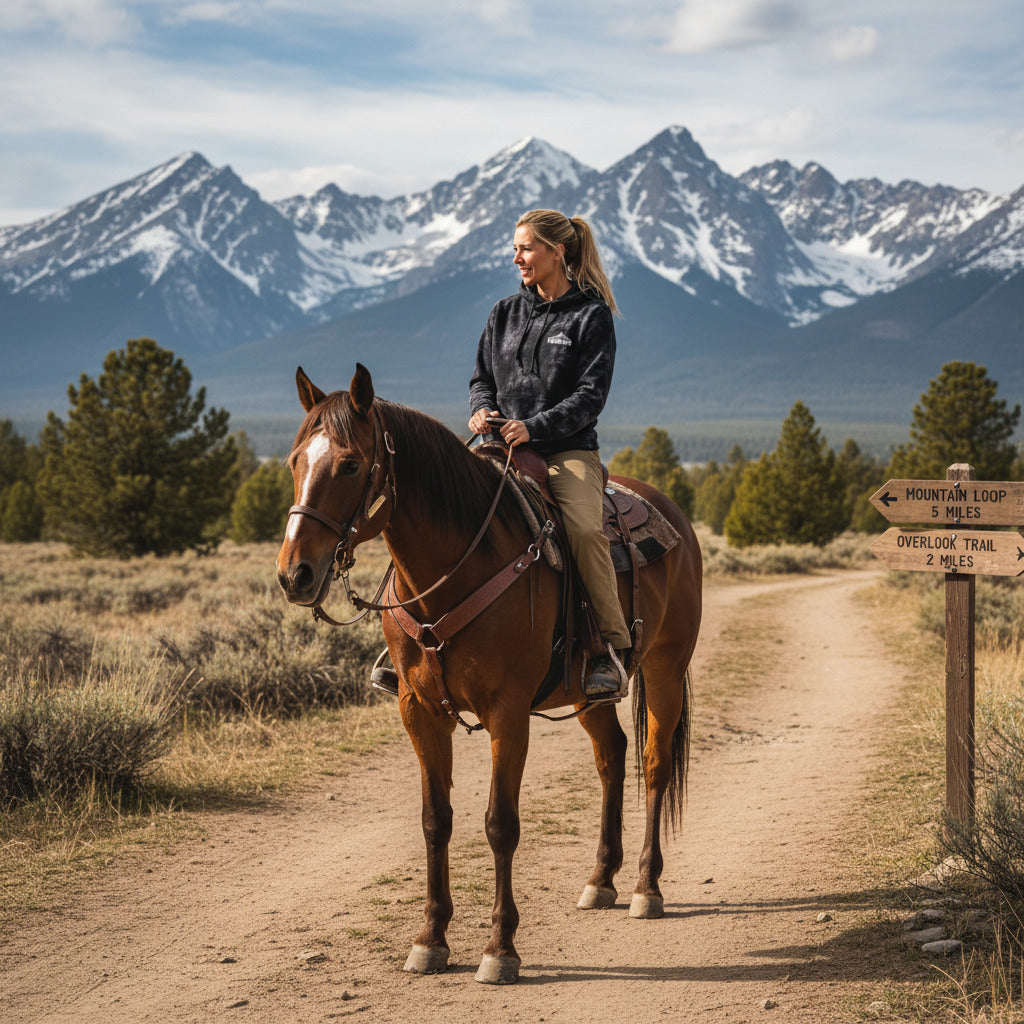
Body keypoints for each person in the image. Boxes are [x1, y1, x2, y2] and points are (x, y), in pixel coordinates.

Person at [468, 208, 631, 701]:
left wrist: (533, 427)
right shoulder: (503, 313)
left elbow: (589, 397)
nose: (515, 256)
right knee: (444, 507)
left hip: (567, 454)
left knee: (583, 529)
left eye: (525, 247)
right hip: (498, 447)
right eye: (515, 248)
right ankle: (415, 640)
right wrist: (481, 412)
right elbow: (481, 379)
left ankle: (608, 649)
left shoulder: (591, 315)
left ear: (556, 252)